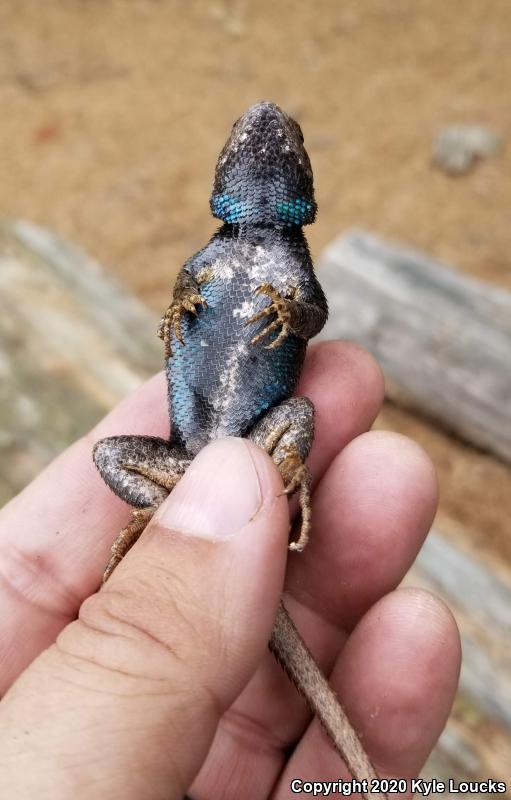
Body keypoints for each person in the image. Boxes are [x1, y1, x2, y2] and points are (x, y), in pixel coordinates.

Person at [0, 342, 460, 799]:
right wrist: (180, 518)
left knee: (307, 412)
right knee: (112, 452)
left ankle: (264, 485)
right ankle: (173, 507)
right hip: (197, 459)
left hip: (252, 453)